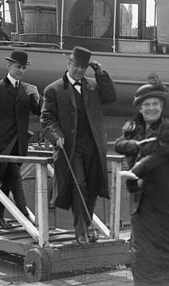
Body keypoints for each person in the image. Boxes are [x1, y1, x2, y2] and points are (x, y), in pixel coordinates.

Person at [115, 82, 169, 286]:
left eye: (155, 104)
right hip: (142, 195)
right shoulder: (132, 127)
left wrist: (134, 171)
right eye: (146, 105)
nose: (151, 108)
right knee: (142, 245)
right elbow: (120, 144)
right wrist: (136, 144)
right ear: (139, 108)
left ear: (162, 106)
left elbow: (158, 156)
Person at [41, 46, 117, 245]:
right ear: (68, 64)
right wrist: (56, 135)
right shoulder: (54, 89)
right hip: (70, 147)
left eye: (83, 67)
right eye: (76, 65)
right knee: (79, 184)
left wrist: (100, 73)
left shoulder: (93, 86)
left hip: (93, 145)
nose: (79, 70)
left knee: (92, 185)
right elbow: (47, 118)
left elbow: (111, 97)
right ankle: (81, 230)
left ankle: (86, 224)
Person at [0, 50, 42, 227]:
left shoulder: (27, 90)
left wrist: (37, 97)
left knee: (8, 180)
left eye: (23, 68)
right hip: (1, 143)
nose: (20, 70)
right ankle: (26, 219)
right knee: (15, 176)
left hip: (19, 145)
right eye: (17, 67)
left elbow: (41, 113)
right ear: (9, 66)